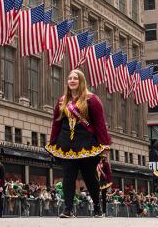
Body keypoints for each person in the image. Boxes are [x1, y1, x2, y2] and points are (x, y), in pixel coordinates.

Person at [45, 69, 111, 218]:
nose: (72, 80)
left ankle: (97, 207)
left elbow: (100, 124)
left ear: (81, 81)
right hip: (67, 144)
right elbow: (56, 124)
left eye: (75, 78)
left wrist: (104, 144)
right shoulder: (62, 101)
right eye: (70, 78)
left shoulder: (92, 99)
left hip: (87, 144)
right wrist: (52, 143)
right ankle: (68, 209)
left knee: (90, 177)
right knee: (68, 177)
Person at [97, 151, 112, 216]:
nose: (101, 158)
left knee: (103, 197)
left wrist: (101, 171)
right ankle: (97, 211)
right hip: (96, 181)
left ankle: (104, 212)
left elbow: (107, 173)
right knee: (96, 197)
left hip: (103, 182)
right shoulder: (97, 164)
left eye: (102, 157)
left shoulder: (106, 164)